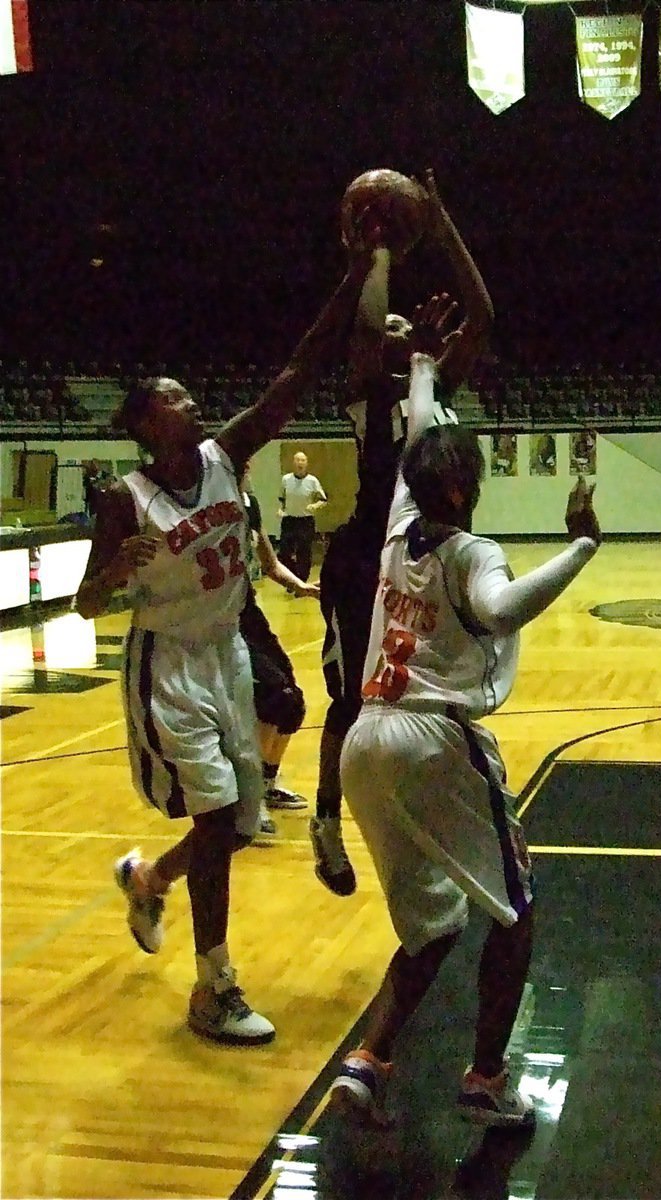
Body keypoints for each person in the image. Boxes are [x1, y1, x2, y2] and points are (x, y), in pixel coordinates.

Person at [75, 252, 370, 1045]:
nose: (190, 400)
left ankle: (148, 880)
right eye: (172, 398)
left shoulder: (225, 456)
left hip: (227, 652)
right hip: (166, 662)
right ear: (144, 424)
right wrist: (115, 567)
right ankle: (214, 988)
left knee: (238, 826)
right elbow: (84, 605)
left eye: (186, 392)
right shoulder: (123, 499)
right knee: (217, 819)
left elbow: (298, 369)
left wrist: (351, 274)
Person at [329, 344, 601, 1128]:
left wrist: (420, 368)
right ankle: (484, 1080)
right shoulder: (470, 549)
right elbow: (500, 610)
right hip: (432, 739)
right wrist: (581, 546)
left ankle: (366, 1060)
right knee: (515, 911)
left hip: (365, 738)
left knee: (432, 922)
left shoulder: (396, 523)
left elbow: (417, 429)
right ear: (458, 487)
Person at [310, 169, 493, 897]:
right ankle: (326, 817)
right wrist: (377, 254)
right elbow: (364, 325)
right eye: (384, 328)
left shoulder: (432, 387)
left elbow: (482, 314)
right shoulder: (361, 386)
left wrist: (441, 225)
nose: (390, 329)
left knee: (424, 694)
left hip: (428, 560)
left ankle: (424, 810)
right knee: (354, 698)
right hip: (366, 556)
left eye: (399, 331)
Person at [239, 470, 318, 830]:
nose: (246, 472)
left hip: (247, 612)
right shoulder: (211, 508)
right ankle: (247, 799)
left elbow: (268, 563)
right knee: (272, 696)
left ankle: (267, 783)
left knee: (292, 701)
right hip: (218, 622)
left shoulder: (249, 505)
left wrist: (301, 586)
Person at [278, 450, 328, 582]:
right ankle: (292, 576)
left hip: (305, 520)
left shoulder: (312, 481)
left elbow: (323, 499)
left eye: (303, 460)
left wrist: (315, 506)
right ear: (293, 463)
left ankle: (301, 580)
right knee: (284, 553)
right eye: (297, 460)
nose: (300, 463)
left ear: (306, 464)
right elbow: (282, 498)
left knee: (304, 553)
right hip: (289, 519)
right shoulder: (286, 479)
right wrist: (280, 509)